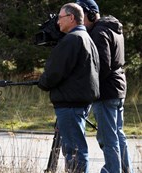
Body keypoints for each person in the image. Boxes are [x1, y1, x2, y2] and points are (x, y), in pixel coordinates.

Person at [37, 3, 100, 173]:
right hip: (79, 102)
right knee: (75, 149)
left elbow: (54, 72)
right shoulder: (86, 37)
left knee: (74, 151)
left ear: (71, 18)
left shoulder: (72, 40)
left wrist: (43, 83)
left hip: (70, 104)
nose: (57, 22)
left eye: (60, 17)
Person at [76, 0, 134, 172]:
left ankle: (113, 170)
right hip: (118, 88)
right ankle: (125, 170)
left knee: (108, 139)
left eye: (82, 16)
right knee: (118, 134)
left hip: (106, 91)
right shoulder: (111, 27)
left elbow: (103, 65)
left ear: (91, 14)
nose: (80, 21)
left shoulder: (99, 32)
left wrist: (89, 85)